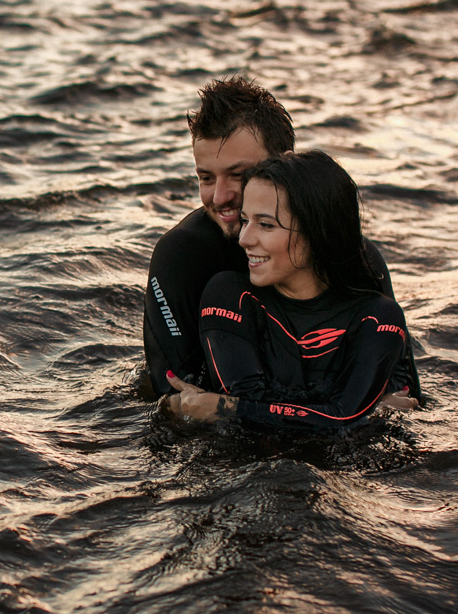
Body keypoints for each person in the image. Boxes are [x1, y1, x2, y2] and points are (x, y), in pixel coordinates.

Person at [142, 76, 420, 402]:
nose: (220, 197)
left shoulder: (358, 256)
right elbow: (180, 401)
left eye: (239, 174)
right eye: (206, 177)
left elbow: (402, 392)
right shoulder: (182, 257)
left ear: (284, 164)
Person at [163, 150, 418, 427]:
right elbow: (337, 415)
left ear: (317, 232)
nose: (244, 239)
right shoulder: (231, 297)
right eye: (245, 221)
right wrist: (359, 412)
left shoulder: (379, 317)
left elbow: (342, 415)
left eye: (266, 224)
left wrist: (222, 408)